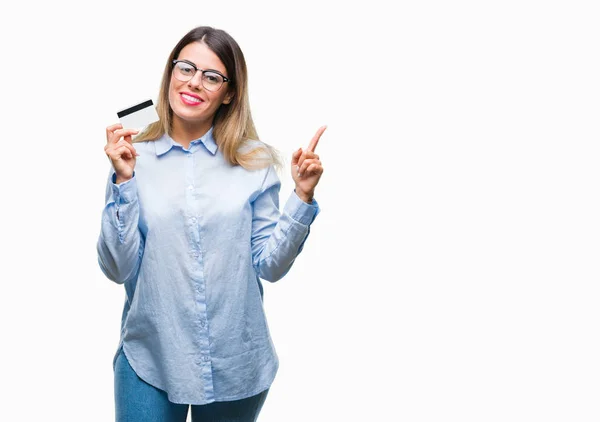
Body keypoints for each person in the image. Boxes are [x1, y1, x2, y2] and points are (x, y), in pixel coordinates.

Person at [97, 26, 325, 422]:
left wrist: (301, 197)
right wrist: (123, 181)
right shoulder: (134, 156)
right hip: (151, 357)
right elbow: (117, 268)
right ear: (170, 73)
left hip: (236, 361)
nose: (194, 83)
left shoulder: (253, 161)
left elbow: (269, 266)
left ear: (229, 92)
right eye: (185, 68)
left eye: (212, 76)